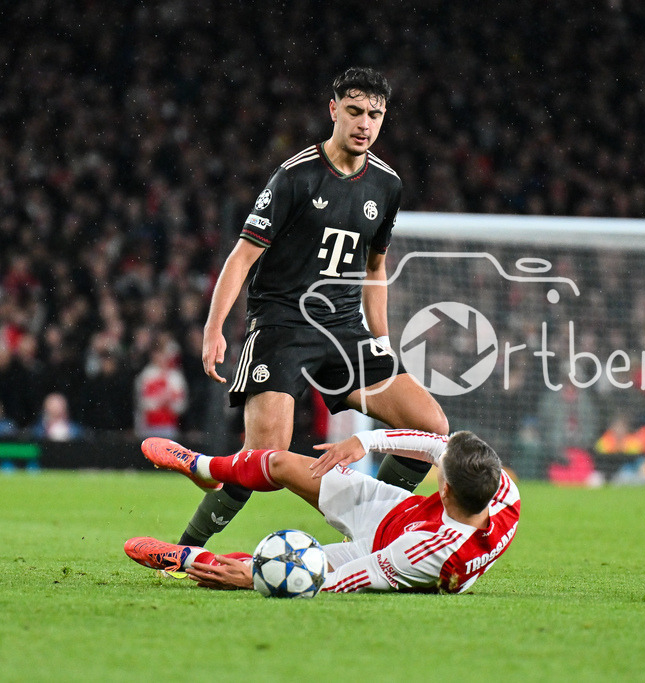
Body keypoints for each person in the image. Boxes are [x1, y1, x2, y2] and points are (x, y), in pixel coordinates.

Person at [183, 67, 448, 548]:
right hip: (283, 324)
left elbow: (375, 267)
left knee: (429, 428)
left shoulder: (387, 185)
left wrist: (383, 341)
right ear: (333, 111)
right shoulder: (295, 175)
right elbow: (243, 255)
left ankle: (376, 526)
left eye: (375, 114)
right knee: (266, 456)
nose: (364, 123)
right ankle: (188, 545)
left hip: (344, 330)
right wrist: (214, 328)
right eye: (354, 111)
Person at [125, 428, 518, 594]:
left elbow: (349, 579)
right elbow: (439, 445)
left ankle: (186, 559)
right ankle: (204, 467)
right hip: (393, 511)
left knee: (281, 571)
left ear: (446, 490)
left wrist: (258, 579)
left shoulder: (430, 554)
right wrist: (366, 440)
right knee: (282, 463)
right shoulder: (497, 487)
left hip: (377, 556)